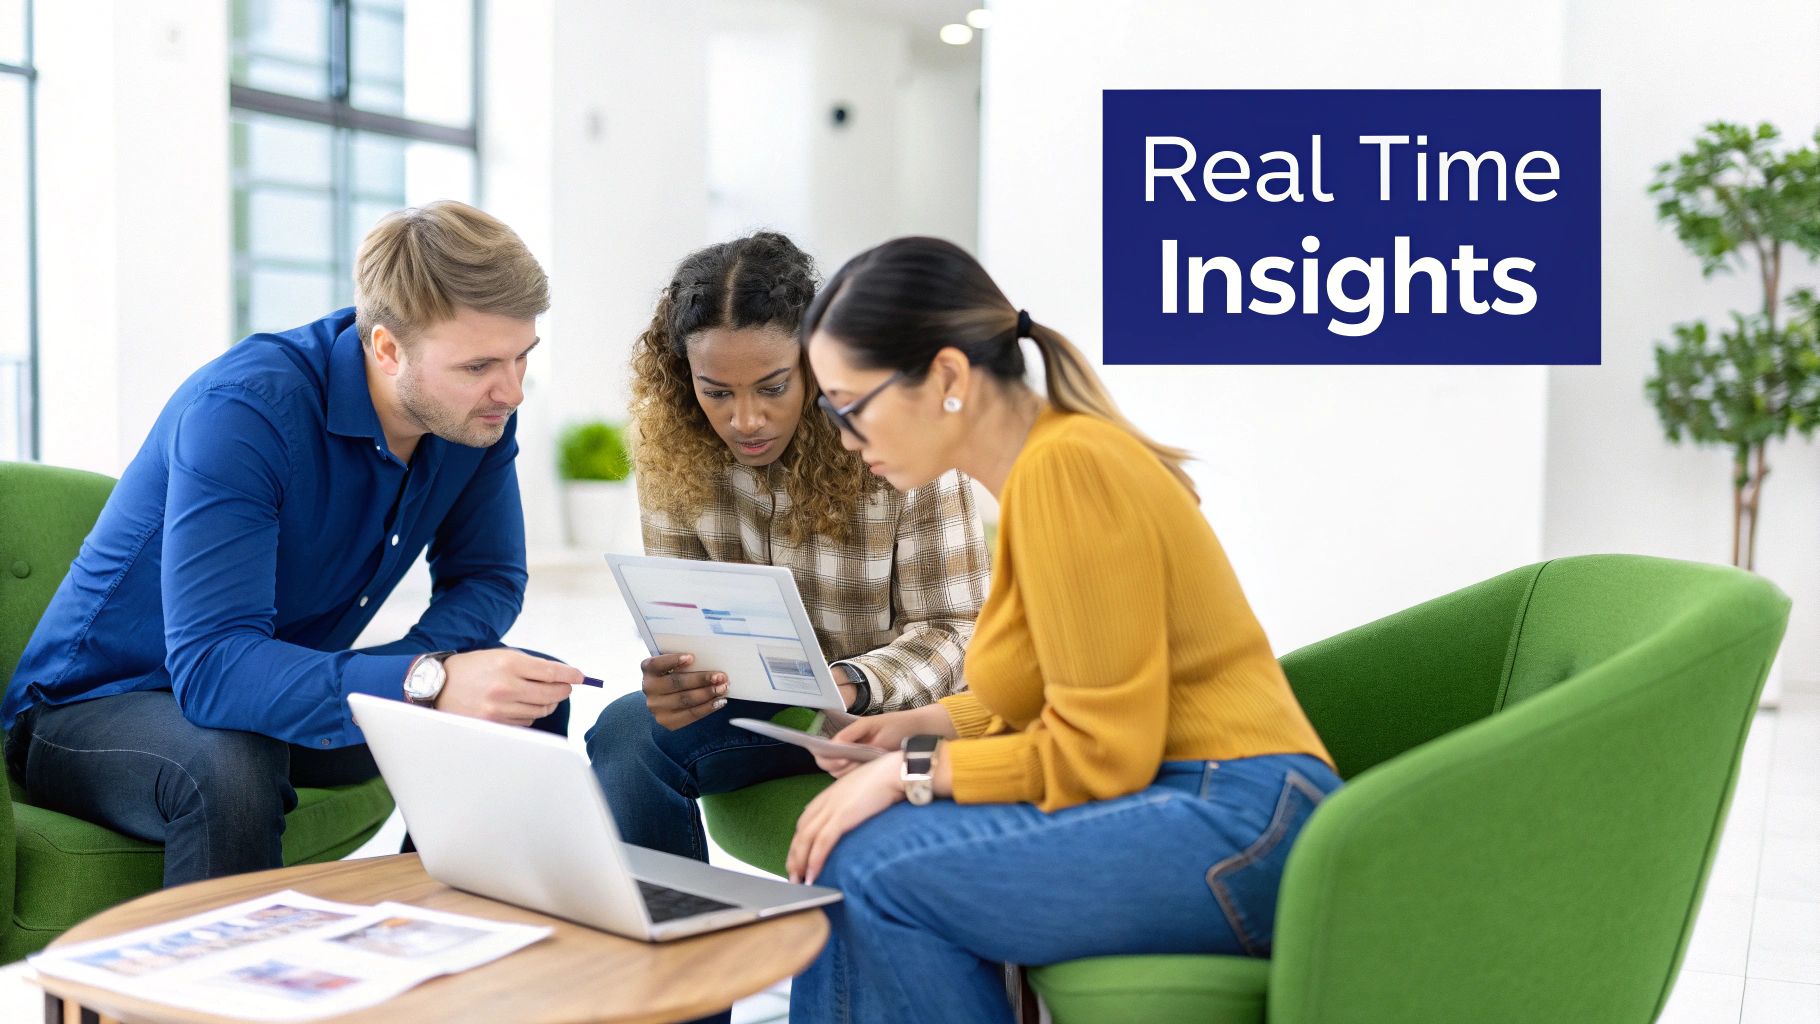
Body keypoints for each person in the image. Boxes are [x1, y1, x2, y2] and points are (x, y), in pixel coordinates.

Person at [784, 236, 1343, 1024]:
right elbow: (1067, 688)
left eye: (850, 405)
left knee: (874, 867)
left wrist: (910, 772)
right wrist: (923, 726)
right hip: (1198, 799)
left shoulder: (1067, 471)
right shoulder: (1038, 474)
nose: (842, 436)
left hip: (1240, 820)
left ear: (946, 376)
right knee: (860, 860)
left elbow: (1103, 750)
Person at [3, 201, 582, 886]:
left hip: (266, 692)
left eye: (523, 357)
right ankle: (226, 992)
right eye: (481, 364)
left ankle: (434, 947)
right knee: (226, 761)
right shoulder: (245, 412)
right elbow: (214, 669)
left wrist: (424, 677)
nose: (511, 391)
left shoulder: (477, 414)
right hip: (91, 709)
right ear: (388, 348)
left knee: (524, 692)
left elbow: (487, 578)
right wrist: (422, 684)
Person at [586, 231, 990, 867]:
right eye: (716, 392)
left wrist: (853, 683)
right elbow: (682, 620)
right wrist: (680, 681)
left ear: (817, 366)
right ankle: (672, 949)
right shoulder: (673, 453)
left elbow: (958, 629)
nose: (745, 419)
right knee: (625, 732)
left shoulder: (906, 444)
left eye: (773, 387)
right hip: (765, 708)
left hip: (893, 711)